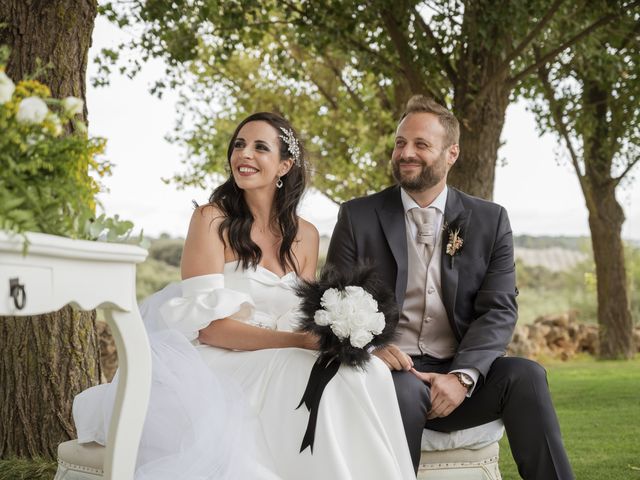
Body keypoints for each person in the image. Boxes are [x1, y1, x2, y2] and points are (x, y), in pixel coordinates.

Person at [73, 112, 415, 480]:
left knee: (369, 373)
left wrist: (356, 343)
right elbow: (209, 329)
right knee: (306, 369)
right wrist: (297, 342)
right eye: (239, 145)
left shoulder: (308, 235)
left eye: (259, 147)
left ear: (284, 165)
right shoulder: (210, 221)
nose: (244, 154)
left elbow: (307, 317)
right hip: (218, 359)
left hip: (284, 349)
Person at [325, 96, 575, 480]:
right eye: (400, 143)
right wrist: (374, 350)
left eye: (421, 145)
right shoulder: (357, 216)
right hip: (388, 373)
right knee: (404, 393)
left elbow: (499, 309)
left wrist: (462, 377)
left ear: (452, 153)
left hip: (458, 373)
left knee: (526, 375)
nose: (406, 153)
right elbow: (334, 301)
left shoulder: (490, 220)